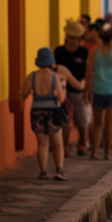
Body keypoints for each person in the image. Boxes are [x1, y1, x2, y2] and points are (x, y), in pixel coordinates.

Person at [20, 48, 68, 180]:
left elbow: (23, 95)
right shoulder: (54, 77)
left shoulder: (32, 76)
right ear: (51, 61)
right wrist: (63, 84)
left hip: (36, 111)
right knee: (57, 144)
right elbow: (61, 98)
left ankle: (43, 172)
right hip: (53, 111)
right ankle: (59, 171)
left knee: (42, 144)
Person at [85, 23, 112, 160]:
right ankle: (107, 154)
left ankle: (94, 152)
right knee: (109, 124)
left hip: (97, 91)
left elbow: (89, 72)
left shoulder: (93, 52)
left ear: (100, 36)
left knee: (97, 124)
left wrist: (87, 90)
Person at [54, 19, 90, 156]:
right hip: (61, 90)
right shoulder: (58, 51)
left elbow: (88, 72)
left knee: (81, 118)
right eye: (72, 38)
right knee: (65, 120)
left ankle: (82, 142)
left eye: (77, 38)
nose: (74, 41)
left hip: (78, 91)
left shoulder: (84, 52)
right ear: (66, 37)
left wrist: (87, 91)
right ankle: (65, 146)